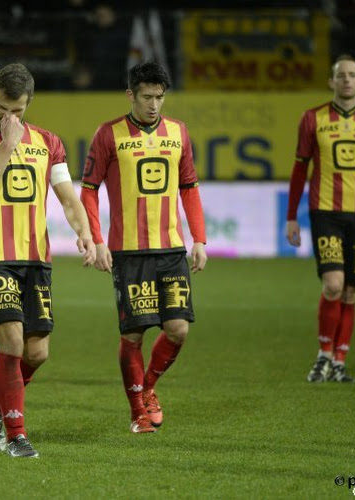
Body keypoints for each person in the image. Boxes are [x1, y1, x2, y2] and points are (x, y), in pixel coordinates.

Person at [0, 63, 96, 458]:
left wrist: (84, 233)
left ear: (28, 104)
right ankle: (16, 436)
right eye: (3, 108)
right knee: (14, 344)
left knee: (38, 354)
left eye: (17, 111)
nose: (9, 118)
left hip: (36, 258)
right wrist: (6, 145)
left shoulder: (50, 142)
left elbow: (68, 197)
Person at [80, 62, 207, 434]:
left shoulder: (178, 133)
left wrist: (198, 238)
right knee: (134, 334)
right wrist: (98, 240)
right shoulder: (109, 134)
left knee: (178, 329)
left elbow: (189, 188)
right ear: (131, 95)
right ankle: (138, 411)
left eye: (160, 96)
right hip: (129, 252)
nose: (154, 104)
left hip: (171, 249)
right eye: (147, 96)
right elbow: (89, 189)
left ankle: (148, 387)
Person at [286, 54, 355, 383]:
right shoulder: (312, 119)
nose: (346, 80)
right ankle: (323, 355)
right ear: (331, 82)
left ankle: (339, 360)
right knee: (333, 285)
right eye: (340, 75)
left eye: (352, 75)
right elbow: (299, 168)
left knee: (350, 291)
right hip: (326, 213)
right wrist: (292, 216)